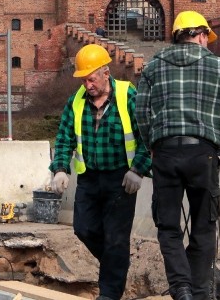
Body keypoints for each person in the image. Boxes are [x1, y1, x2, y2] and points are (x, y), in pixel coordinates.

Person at [135, 11, 220, 300]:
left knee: (168, 227)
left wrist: (153, 143)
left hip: (166, 152)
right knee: (204, 226)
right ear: (198, 35)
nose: (207, 43)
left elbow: (141, 114)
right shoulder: (219, 65)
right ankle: (198, 293)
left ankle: (181, 288)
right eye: (206, 38)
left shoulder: (152, 67)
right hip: (203, 154)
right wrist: (215, 130)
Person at [49, 44, 151, 300]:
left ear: (106, 73)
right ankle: (116, 265)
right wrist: (60, 169)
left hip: (121, 180)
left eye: (91, 78)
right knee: (84, 229)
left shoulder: (129, 96)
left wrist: (138, 170)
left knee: (117, 239)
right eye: (83, 79)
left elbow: (148, 138)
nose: (87, 84)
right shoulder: (76, 102)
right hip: (90, 179)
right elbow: (64, 139)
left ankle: (109, 294)